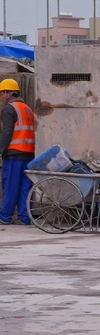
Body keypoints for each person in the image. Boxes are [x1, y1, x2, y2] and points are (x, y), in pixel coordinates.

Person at [0, 78, 35, 226]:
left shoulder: (9, 108)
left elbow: (7, 133)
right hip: (29, 153)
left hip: (15, 152)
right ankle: (24, 217)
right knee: (25, 186)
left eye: (1, 93)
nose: (1, 97)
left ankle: (5, 216)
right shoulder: (27, 108)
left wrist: (1, 150)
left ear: (8, 93)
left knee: (10, 185)